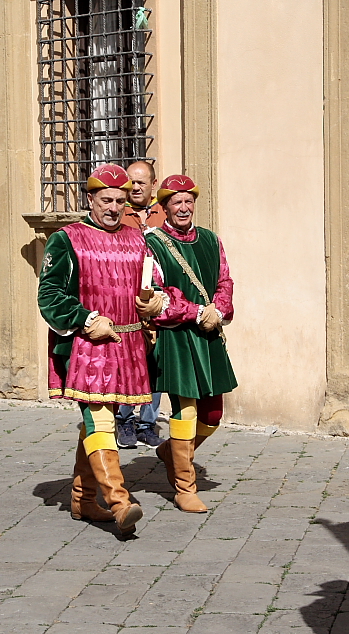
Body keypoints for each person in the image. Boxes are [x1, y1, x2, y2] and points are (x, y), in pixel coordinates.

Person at [37, 163, 164, 536]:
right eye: (106, 199)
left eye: (120, 201)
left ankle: (82, 498)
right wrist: (86, 319)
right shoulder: (67, 238)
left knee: (97, 423)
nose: (113, 207)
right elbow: (50, 296)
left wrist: (156, 302)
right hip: (87, 344)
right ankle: (120, 501)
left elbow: (156, 284)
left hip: (129, 343)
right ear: (90, 198)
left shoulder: (139, 239)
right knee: (101, 420)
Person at [145, 175, 237, 513]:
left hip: (210, 335)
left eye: (188, 201)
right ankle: (185, 486)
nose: (183, 207)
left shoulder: (212, 240)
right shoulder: (152, 243)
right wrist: (198, 312)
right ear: (165, 207)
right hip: (177, 336)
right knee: (186, 408)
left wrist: (220, 309)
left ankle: (171, 452)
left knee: (213, 415)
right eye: (176, 202)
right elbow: (155, 295)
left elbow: (224, 279)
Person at [116, 160, 167, 448]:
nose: (135, 187)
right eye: (131, 182)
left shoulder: (164, 214)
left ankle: (147, 423)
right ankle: (124, 420)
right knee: (129, 362)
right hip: (128, 298)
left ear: (153, 184)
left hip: (159, 299)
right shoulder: (119, 214)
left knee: (156, 362)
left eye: (141, 182)